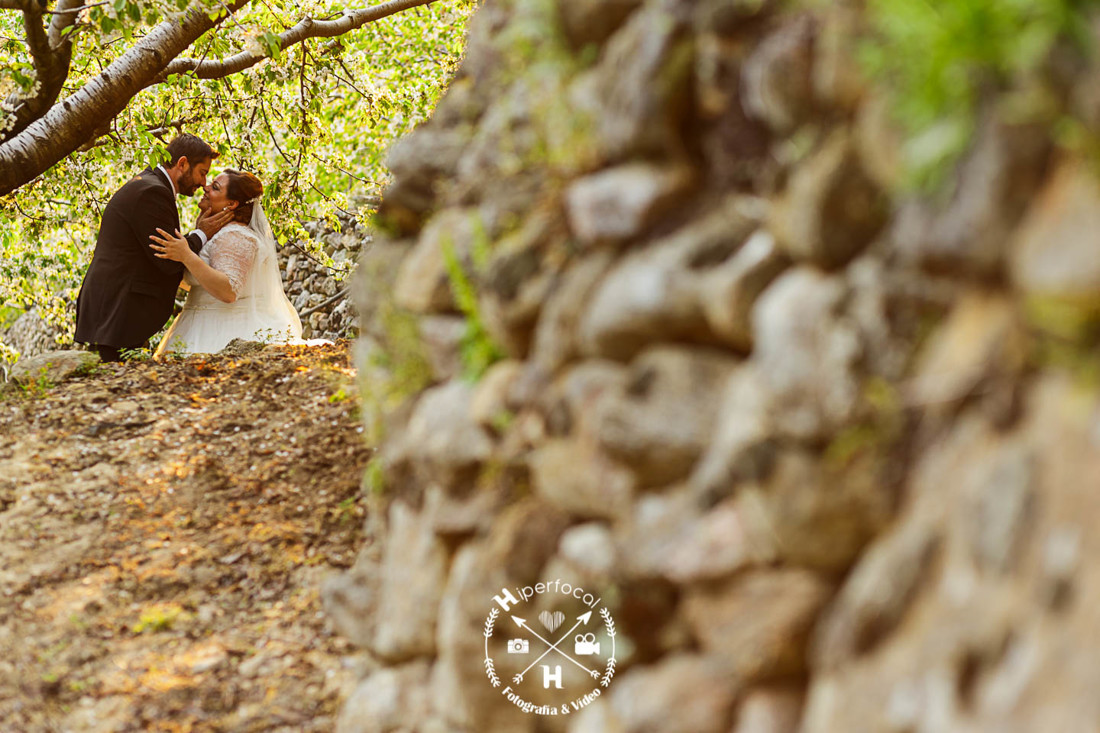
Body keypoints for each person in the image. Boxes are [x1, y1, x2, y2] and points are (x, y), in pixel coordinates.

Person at [75, 134, 234, 362]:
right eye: (203, 172)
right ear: (182, 163)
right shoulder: (152, 192)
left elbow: (168, 247)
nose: (203, 183)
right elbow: (168, 257)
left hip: (116, 310)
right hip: (119, 310)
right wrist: (202, 233)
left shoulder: (148, 184)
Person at [149, 169, 308, 355]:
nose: (206, 187)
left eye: (215, 187)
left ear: (232, 203)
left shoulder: (235, 235)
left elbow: (229, 290)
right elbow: (199, 281)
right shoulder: (217, 234)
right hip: (198, 323)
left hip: (224, 330)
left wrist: (186, 255)